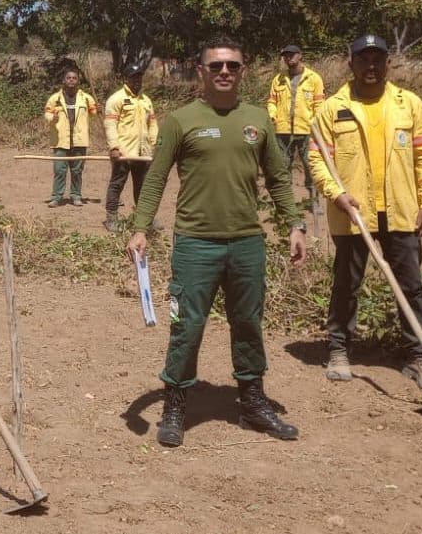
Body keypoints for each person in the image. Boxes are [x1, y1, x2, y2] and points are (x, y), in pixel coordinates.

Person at [128, 35, 306, 448]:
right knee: (186, 326)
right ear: (201, 70)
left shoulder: (259, 120)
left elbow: (279, 179)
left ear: (243, 70)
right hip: (196, 244)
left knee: (248, 324)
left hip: (247, 242)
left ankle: (252, 401)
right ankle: (175, 404)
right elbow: (155, 177)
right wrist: (140, 227)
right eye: (216, 66)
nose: (224, 72)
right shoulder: (181, 120)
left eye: (232, 66)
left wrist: (294, 224)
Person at [308, 35, 422, 389]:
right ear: (350, 63)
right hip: (353, 215)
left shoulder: (409, 104)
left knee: (411, 286)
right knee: (346, 286)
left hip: (402, 211)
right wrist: (336, 193)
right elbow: (319, 160)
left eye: (377, 60)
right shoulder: (331, 109)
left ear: (388, 63)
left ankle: (418, 355)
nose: (371, 67)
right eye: (363, 60)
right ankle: (339, 349)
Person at [104, 62, 158, 229]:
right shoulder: (116, 99)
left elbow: (153, 125)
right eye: (133, 77)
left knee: (143, 186)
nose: (137, 80)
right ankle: (111, 218)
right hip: (124, 152)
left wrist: (156, 145)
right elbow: (110, 125)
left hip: (143, 153)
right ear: (125, 78)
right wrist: (114, 147)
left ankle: (144, 218)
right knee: (117, 184)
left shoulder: (146, 100)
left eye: (139, 77)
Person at [267, 45, 324, 189]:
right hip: (283, 130)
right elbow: (272, 102)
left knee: (311, 166)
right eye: (285, 55)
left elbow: (319, 105)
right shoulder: (278, 79)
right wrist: (272, 116)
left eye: (291, 54)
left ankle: (314, 201)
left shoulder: (314, 78)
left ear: (300, 56)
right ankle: (287, 202)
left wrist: (315, 124)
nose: (288, 58)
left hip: (306, 130)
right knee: (283, 166)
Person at [43, 68, 95, 207]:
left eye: (74, 78)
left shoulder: (86, 98)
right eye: (69, 78)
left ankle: (76, 196)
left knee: (77, 171)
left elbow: (93, 112)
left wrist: (97, 109)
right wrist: (51, 117)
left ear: (78, 81)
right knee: (60, 170)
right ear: (63, 80)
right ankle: (57, 197)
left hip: (79, 140)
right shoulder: (55, 98)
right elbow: (47, 114)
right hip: (60, 140)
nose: (71, 80)